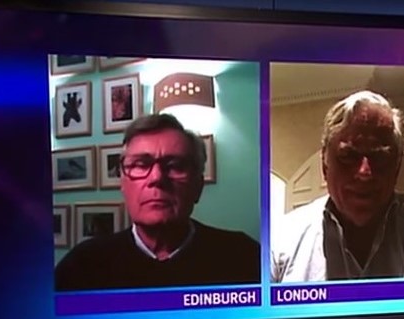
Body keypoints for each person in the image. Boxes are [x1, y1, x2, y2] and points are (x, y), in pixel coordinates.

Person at [55, 113, 260, 291]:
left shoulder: (244, 256)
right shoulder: (80, 266)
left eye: (175, 165)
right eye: (140, 165)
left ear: (198, 186)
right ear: (123, 184)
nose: (157, 178)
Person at [271, 91, 404, 282]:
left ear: (397, 166)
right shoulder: (284, 236)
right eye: (348, 156)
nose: (364, 173)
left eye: (379, 157)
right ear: (325, 163)